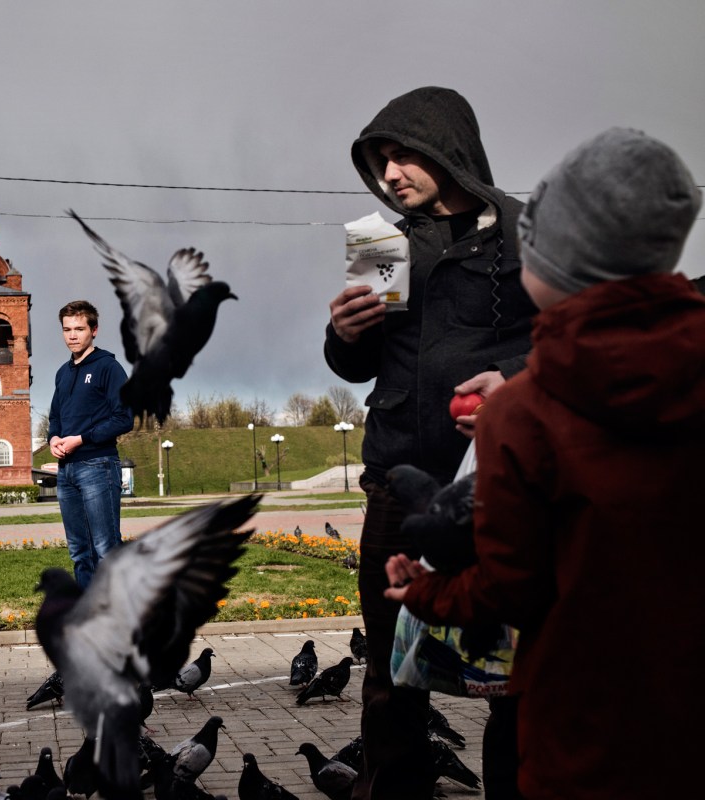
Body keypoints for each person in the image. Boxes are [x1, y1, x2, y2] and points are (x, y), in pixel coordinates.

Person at [386, 127, 704, 799]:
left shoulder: (524, 414)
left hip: (585, 740)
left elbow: (509, 592)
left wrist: (422, 590)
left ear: (553, 256)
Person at [324, 87, 538, 799]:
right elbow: (354, 362)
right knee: (388, 669)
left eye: (403, 153)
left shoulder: (525, 230)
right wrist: (345, 334)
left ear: (448, 146)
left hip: (496, 481)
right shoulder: (384, 244)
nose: (390, 173)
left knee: (515, 667)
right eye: (381, 159)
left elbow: (565, 338)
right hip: (395, 478)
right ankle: (394, 789)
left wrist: (512, 380)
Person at [48, 300, 133, 589]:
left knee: (105, 546)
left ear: (94, 330)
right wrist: (54, 439)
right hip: (67, 471)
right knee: (79, 550)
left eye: (79, 329)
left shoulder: (108, 367)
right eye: (67, 329)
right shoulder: (63, 372)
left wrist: (82, 439)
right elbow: (56, 416)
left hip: (98, 466)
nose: (72, 335)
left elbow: (124, 419)